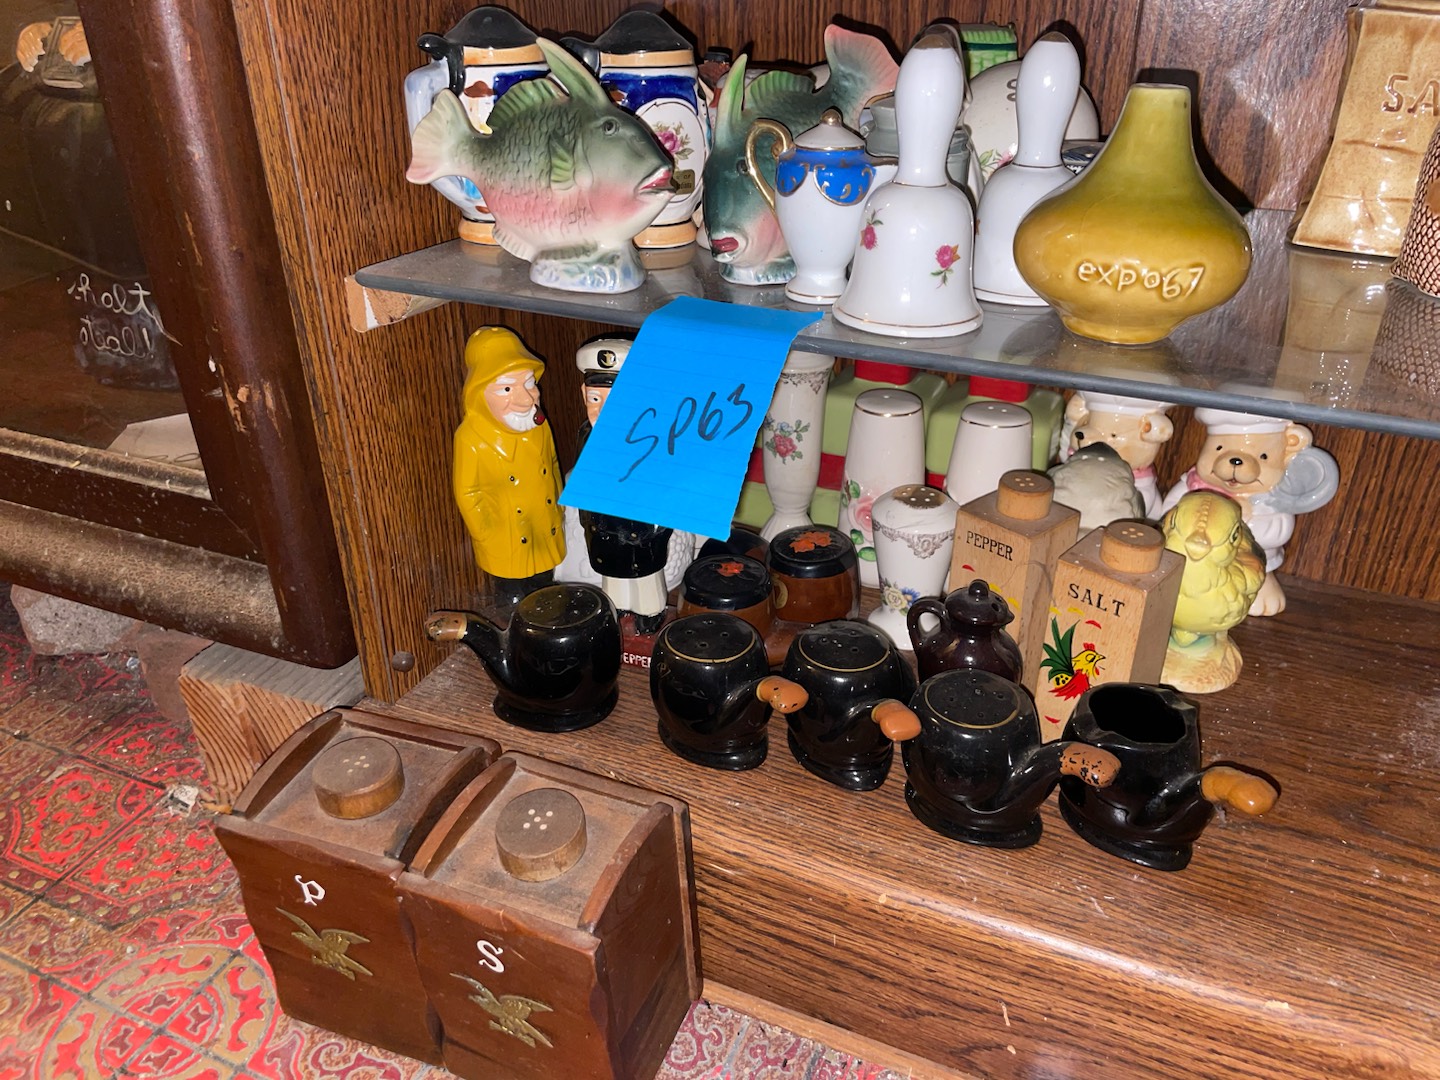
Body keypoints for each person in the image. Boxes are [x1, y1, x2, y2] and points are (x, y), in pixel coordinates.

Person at [453, 326, 565, 608]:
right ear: (479, 392)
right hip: (507, 535)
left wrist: (559, 505)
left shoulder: (538, 424)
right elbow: (468, 492)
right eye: (506, 388)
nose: (526, 399)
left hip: (543, 526)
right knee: (514, 599)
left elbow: (552, 464)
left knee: (546, 587)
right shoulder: (471, 438)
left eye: (529, 383)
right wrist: (486, 533)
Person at [573, 337, 674, 634]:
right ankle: (617, 606)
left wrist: (657, 524)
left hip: (640, 525)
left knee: (645, 574)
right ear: (583, 394)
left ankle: (649, 611)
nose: (604, 410)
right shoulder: (587, 435)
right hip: (603, 523)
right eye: (595, 399)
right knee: (612, 570)